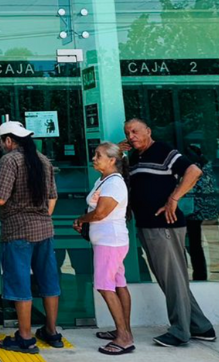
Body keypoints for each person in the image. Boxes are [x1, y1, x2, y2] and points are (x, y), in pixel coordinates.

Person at [123, 118, 216, 347]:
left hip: (164, 225)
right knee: (172, 280)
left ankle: (180, 331)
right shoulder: (136, 157)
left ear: (149, 131)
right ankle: (201, 327)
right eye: (128, 133)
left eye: (135, 131)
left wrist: (174, 198)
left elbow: (194, 171)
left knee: (173, 279)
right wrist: (118, 151)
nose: (131, 136)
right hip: (147, 225)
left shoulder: (162, 150)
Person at [0, 120, 61, 353]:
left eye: (2, 141)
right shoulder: (43, 160)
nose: (1, 146)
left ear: (9, 140)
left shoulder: (9, 160)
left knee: (20, 282)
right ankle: (52, 332)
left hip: (18, 229)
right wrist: (41, 216)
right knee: (48, 281)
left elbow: (0, 198)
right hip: (44, 228)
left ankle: (25, 337)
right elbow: (53, 196)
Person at [75, 143, 133, 356]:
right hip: (108, 241)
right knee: (118, 284)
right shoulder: (105, 180)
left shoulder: (114, 184)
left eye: (98, 155)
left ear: (112, 160)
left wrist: (81, 219)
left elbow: (100, 213)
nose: (94, 158)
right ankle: (124, 330)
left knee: (104, 286)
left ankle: (124, 337)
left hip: (110, 242)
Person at [184, 145, 219, 282]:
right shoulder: (207, 164)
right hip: (206, 209)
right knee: (199, 244)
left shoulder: (194, 167)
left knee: (192, 244)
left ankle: (198, 273)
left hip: (193, 209)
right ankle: (200, 274)